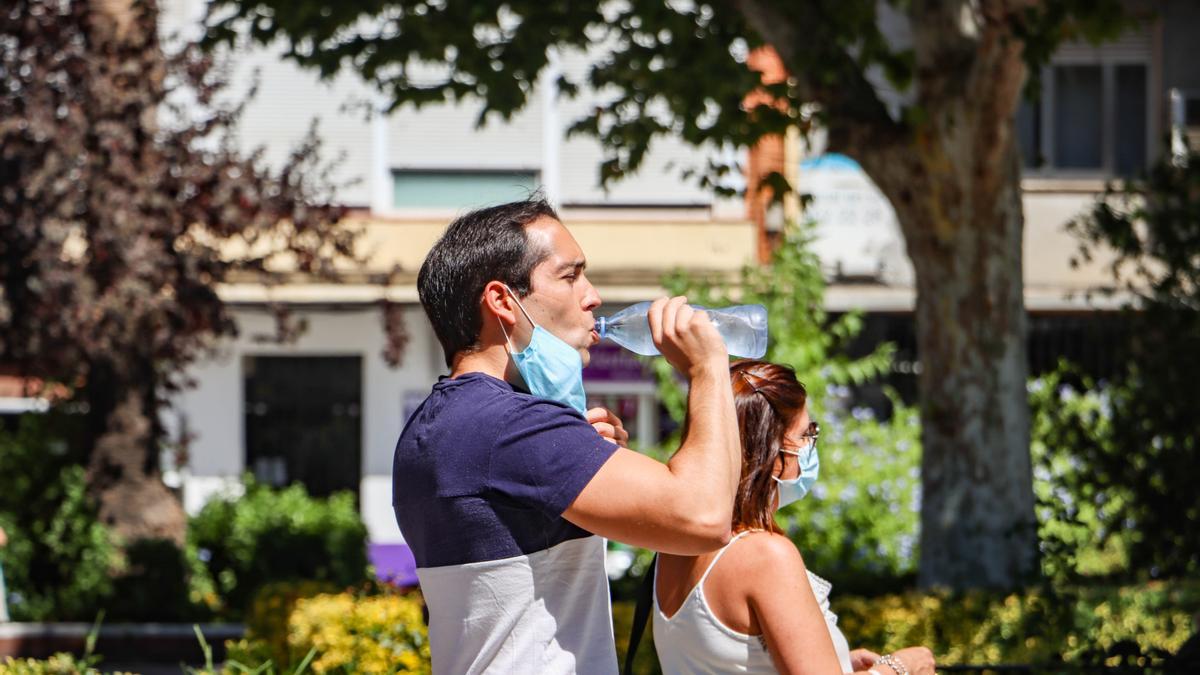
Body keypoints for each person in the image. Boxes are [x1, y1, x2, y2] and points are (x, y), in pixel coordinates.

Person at [392, 197, 742, 674]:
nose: (592, 296)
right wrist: (708, 367)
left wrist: (577, 453)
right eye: (570, 275)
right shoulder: (512, 427)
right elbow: (703, 518)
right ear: (502, 301)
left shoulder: (434, 425)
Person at [652, 359, 936, 675]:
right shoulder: (765, 556)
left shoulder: (676, 546)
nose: (810, 447)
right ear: (772, 454)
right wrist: (899, 667)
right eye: (806, 434)